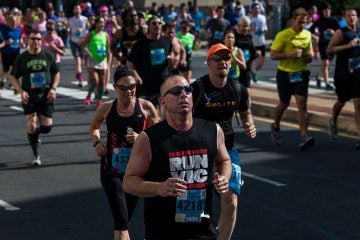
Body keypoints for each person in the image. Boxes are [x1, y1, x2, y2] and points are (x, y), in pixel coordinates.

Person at [123, 74, 232, 240]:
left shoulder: (213, 131)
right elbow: (129, 182)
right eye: (175, 91)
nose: (183, 94)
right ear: (163, 102)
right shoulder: (148, 138)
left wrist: (224, 177)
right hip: (163, 232)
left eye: (187, 89)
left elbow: (224, 160)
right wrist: (158, 188)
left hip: (203, 231)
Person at [191, 43, 256, 240]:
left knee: (231, 201)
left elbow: (246, 113)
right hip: (199, 152)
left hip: (226, 151)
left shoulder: (238, 88)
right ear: (209, 63)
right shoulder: (197, 89)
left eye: (226, 58)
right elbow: (180, 118)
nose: (223, 62)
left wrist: (249, 124)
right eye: (217, 59)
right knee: (198, 207)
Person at [89, 66, 158, 240]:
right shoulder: (106, 108)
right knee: (121, 220)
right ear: (115, 87)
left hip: (136, 171)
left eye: (132, 86)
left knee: (125, 219)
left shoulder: (146, 107)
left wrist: (141, 137)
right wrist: (97, 143)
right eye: (124, 87)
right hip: (111, 170)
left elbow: (158, 135)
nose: (129, 91)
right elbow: (94, 127)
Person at [9, 29, 60, 166]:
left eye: (38, 39)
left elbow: (56, 73)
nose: (36, 41)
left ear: (41, 41)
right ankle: (36, 155)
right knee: (31, 125)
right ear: (28, 40)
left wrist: (53, 88)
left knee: (47, 127)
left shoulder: (48, 56)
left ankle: (35, 135)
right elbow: (13, 76)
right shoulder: (22, 57)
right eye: (33, 39)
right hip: (29, 96)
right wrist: (20, 91)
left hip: (45, 96)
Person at [270, 8, 315, 149]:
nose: (303, 23)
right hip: (285, 73)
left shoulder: (307, 34)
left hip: (301, 73)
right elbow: (273, 55)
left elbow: (310, 51)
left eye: (305, 21)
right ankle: (275, 125)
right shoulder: (283, 35)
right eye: (301, 20)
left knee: (302, 104)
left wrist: (309, 57)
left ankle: (304, 136)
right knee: (284, 103)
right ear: (293, 19)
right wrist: (290, 55)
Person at [327, 9, 360, 149]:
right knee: (341, 100)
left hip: (358, 73)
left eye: (353, 15)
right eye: (349, 16)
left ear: (357, 18)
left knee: (358, 103)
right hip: (343, 73)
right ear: (345, 18)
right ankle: (333, 120)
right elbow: (330, 50)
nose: (351, 18)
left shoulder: (359, 31)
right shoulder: (341, 32)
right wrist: (347, 46)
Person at [127, 16, 173, 106]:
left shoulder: (166, 40)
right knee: (146, 112)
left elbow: (171, 52)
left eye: (159, 23)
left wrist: (171, 57)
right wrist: (136, 75)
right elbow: (129, 62)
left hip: (163, 84)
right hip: (146, 85)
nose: (157, 25)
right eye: (154, 23)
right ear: (148, 26)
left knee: (163, 112)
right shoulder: (140, 43)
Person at [80, 16, 110, 107]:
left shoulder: (105, 35)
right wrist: (88, 53)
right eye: (100, 22)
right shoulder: (91, 34)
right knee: (95, 81)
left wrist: (108, 61)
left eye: (103, 22)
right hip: (92, 60)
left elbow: (108, 49)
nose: (102, 24)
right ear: (96, 24)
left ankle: (99, 99)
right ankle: (89, 96)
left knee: (102, 81)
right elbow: (83, 45)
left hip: (102, 60)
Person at [310, 3, 339, 90]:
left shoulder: (334, 20)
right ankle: (327, 84)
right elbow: (310, 31)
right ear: (322, 11)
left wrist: (334, 32)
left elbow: (340, 31)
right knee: (326, 63)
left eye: (329, 10)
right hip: (323, 44)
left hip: (332, 44)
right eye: (325, 10)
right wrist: (315, 35)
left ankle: (318, 77)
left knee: (327, 64)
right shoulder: (319, 21)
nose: (327, 11)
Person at [0, 13, 23, 90]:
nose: (14, 22)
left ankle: (13, 84)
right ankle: (2, 81)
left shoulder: (18, 30)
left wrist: (21, 42)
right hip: (6, 53)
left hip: (16, 53)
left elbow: (20, 39)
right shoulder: (3, 30)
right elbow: (1, 41)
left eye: (15, 20)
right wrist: (6, 42)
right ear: (8, 21)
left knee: (15, 69)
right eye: (12, 20)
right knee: (5, 69)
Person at [235, 16, 256, 96]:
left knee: (246, 90)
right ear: (239, 26)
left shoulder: (249, 37)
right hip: (236, 68)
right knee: (236, 90)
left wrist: (251, 60)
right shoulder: (234, 37)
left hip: (247, 67)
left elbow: (252, 51)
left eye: (247, 26)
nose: (245, 28)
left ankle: (247, 107)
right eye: (243, 26)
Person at [68, 4, 88, 87]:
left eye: (78, 8)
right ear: (73, 11)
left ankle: (78, 72)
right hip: (74, 42)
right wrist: (69, 33)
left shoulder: (85, 19)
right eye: (75, 8)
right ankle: (80, 79)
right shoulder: (70, 20)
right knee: (78, 60)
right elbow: (69, 30)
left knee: (82, 61)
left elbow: (88, 29)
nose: (76, 10)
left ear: (81, 10)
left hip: (83, 41)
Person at [249, 2, 267, 82]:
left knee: (261, 61)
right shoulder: (249, 19)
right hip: (252, 43)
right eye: (255, 8)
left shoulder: (263, 17)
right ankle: (253, 72)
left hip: (261, 42)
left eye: (258, 8)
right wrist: (250, 29)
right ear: (252, 10)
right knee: (252, 60)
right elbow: (245, 30)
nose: (257, 10)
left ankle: (253, 71)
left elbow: (265, 27)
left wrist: (265, 30)